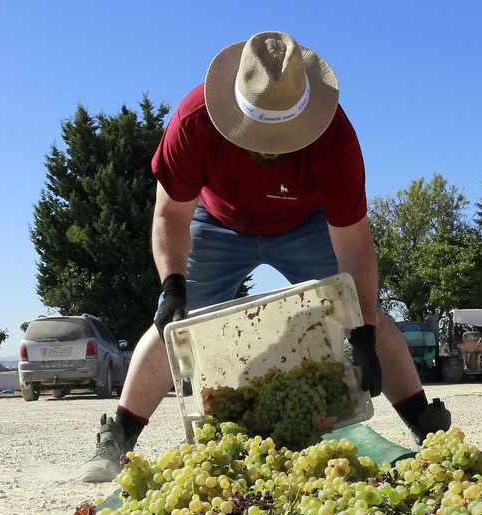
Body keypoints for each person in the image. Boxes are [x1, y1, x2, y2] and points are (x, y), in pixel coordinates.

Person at [80, 31, 448, 482]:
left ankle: (424, 426)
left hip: (304, 224)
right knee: (171, 324)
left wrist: (365, 331)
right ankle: (118, 434)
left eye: (284, 137)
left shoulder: (336, 139)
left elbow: (354, 242)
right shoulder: (194, 120)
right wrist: (173, 287)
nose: (270, 149)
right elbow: (171, 215)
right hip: (217, 224)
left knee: (360, 306)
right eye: (258, 136)